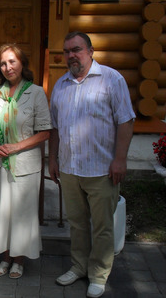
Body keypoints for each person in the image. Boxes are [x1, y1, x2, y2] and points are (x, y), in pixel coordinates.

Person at [48, 31, 135, 298]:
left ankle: (98, 274)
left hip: (102, 170)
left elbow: (126, 120)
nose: (71, 55)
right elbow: (54, 128)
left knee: (101, 226)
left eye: (76, 49)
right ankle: (79, 266)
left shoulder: (111, 79)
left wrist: (120, 159)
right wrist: (52, 158)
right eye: (67, 51)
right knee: (77, 223)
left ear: (90, 50)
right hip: (70, 169)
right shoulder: (61, 84)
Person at [0, 44, 52, 279]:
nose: (8, 67)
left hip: (24, 166)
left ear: (22, 63)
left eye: (12, 62)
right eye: (3, 63)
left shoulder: (36, 93)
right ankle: (5, 257)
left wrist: (16, 147)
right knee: (2, 212)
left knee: (21, 214)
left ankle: (19, 260)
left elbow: (45, 132)